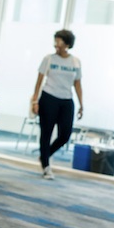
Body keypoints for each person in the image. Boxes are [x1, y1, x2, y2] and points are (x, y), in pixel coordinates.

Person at [30, 29, 83, 180]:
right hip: (49, 97)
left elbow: (78, 84)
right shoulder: (49, 59)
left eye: (59, 41)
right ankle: (46, 166)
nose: (56, 44)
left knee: (65, 135)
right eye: (56, 40)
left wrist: (81, 104)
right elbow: (39, 80)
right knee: (46, 133)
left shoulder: (75, 61)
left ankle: (45, 154)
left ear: (67, 44)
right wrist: (35, 100)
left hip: (66, 100)